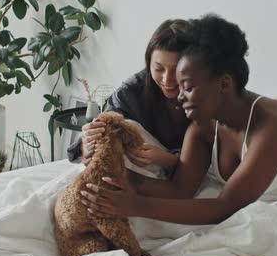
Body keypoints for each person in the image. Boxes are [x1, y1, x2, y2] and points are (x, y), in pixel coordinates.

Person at [80, 14, 277, 225]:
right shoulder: (203, 126)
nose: (178, 96)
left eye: (186, 86)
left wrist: (135, 205)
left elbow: (224, 207)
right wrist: (118, 177)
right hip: (246, 209)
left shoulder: (274, 125)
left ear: (224, 83)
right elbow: (180, 190)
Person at [67, 19, 192, 171]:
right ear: (149, 64)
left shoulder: (207, 95)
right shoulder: (132, 91)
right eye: (159, 69)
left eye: (177, 70)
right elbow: (106, 128)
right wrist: (87, 145)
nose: (167, 80)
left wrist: (168, 159)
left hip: (185, 174)